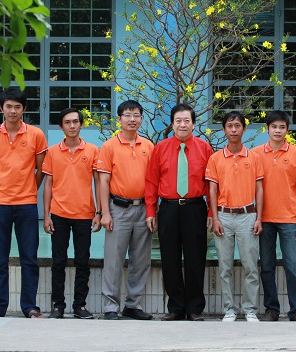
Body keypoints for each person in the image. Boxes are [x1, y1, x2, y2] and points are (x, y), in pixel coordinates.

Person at [0, 87, 48, 318]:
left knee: (29, 258)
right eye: (8, 106)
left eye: (17, 107)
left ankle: (29, 306)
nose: (13, 111)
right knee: (0, 258)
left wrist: (29, 190)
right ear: (1, 108)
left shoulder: (36, 134)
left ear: (24, 109)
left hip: (27, 204)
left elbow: (41, 168)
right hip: (0, 204)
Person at [145, 103, 213, 322]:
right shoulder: (160, 148)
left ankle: (194, 308)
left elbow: (211, 183)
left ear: (193, 124)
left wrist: (211, 212)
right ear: (172, 124)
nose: (182, 125)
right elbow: (151, 181)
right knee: (170, 258)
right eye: (178, 121)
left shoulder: (204, 148)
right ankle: (175, 307)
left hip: (195, 207)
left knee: (195, 258)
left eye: (187, 121)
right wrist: (151, 211)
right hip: (169, 208)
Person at [42, 108, 102, 319]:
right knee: (58, 261)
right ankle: (58, 305)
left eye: (76, 121)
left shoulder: (92, 150)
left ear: (81, 124)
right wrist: (46, 215)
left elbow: (98, 182)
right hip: (59, 213)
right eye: (67, 122)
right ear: (61, 127)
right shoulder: (52, 152)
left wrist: (99, 212)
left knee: (82, 261)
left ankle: (79, 305)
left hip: (84, 214)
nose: (72, 126)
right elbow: (48, 184)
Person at [97, 100, 154, 321]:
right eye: (127, 115)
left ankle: (133, 305)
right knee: (114, 259)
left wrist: (152, 211)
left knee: (141, 260)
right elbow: (103, 181)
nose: (132, 119)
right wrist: (105, 213)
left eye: (136, 115)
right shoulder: (109, 146)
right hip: (118, 209)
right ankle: (111, 306)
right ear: (119, 119)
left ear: (141, 119)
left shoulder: (148, 146)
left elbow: (153, 181)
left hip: (143, 209)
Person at [205, 111, 264, 322]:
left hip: (248, 215)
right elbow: (212, 190)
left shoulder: (254, 157)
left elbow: (259, 189)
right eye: (229, 126)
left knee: (250, 265)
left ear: (244, 129)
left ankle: (250, 309)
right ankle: (229, 309)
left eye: (237, 126)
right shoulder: (215, 158)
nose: (233, 130)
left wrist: (259, 218)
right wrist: (215, 218)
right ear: (224, 130)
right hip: (224, 216)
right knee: (225, 266)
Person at [252, 110, 296, 322]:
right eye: (274, 127)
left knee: (293, 266)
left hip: (289, 219)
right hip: (264, 219)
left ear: (287, 130)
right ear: (267, 129)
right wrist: (256, 217)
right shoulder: (256, 154)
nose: (277, 131)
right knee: (266, 266)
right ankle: (271, 309)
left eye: (282, 127)